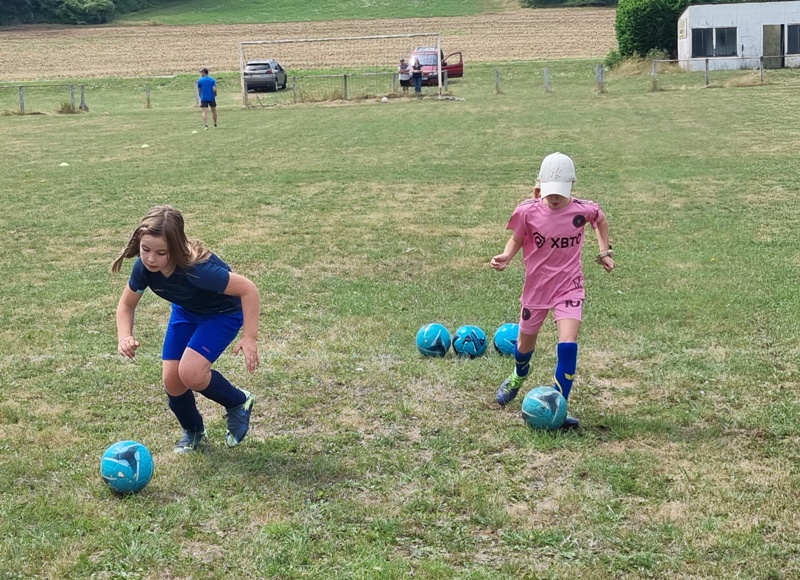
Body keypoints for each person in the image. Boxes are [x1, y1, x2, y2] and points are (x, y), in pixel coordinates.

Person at [112, 206, 260, 453]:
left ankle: (238, 402)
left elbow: (248, 289)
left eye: (161, 253)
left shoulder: (199, 271)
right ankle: (194, 432)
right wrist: (124, 336)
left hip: (221, 314)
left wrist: (249, 337)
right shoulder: (144, 269)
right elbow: (126, 305)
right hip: (186, 312)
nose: (150, 259)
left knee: (191, 373)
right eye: (145, 249)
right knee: (172, 380)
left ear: (176, 248)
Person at [490, 152, 615, 429]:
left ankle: (559, 405)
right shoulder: (528, 211)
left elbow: (601, 220)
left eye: (561, 192)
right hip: (536, 290)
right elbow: (517, 238)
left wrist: (604, 251)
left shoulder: (582, 210)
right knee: (524, 347)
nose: (555, 197)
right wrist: (507, 256)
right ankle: (518, 375)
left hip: (569, 287)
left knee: (568, 344)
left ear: (571, 186)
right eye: (550, 192)